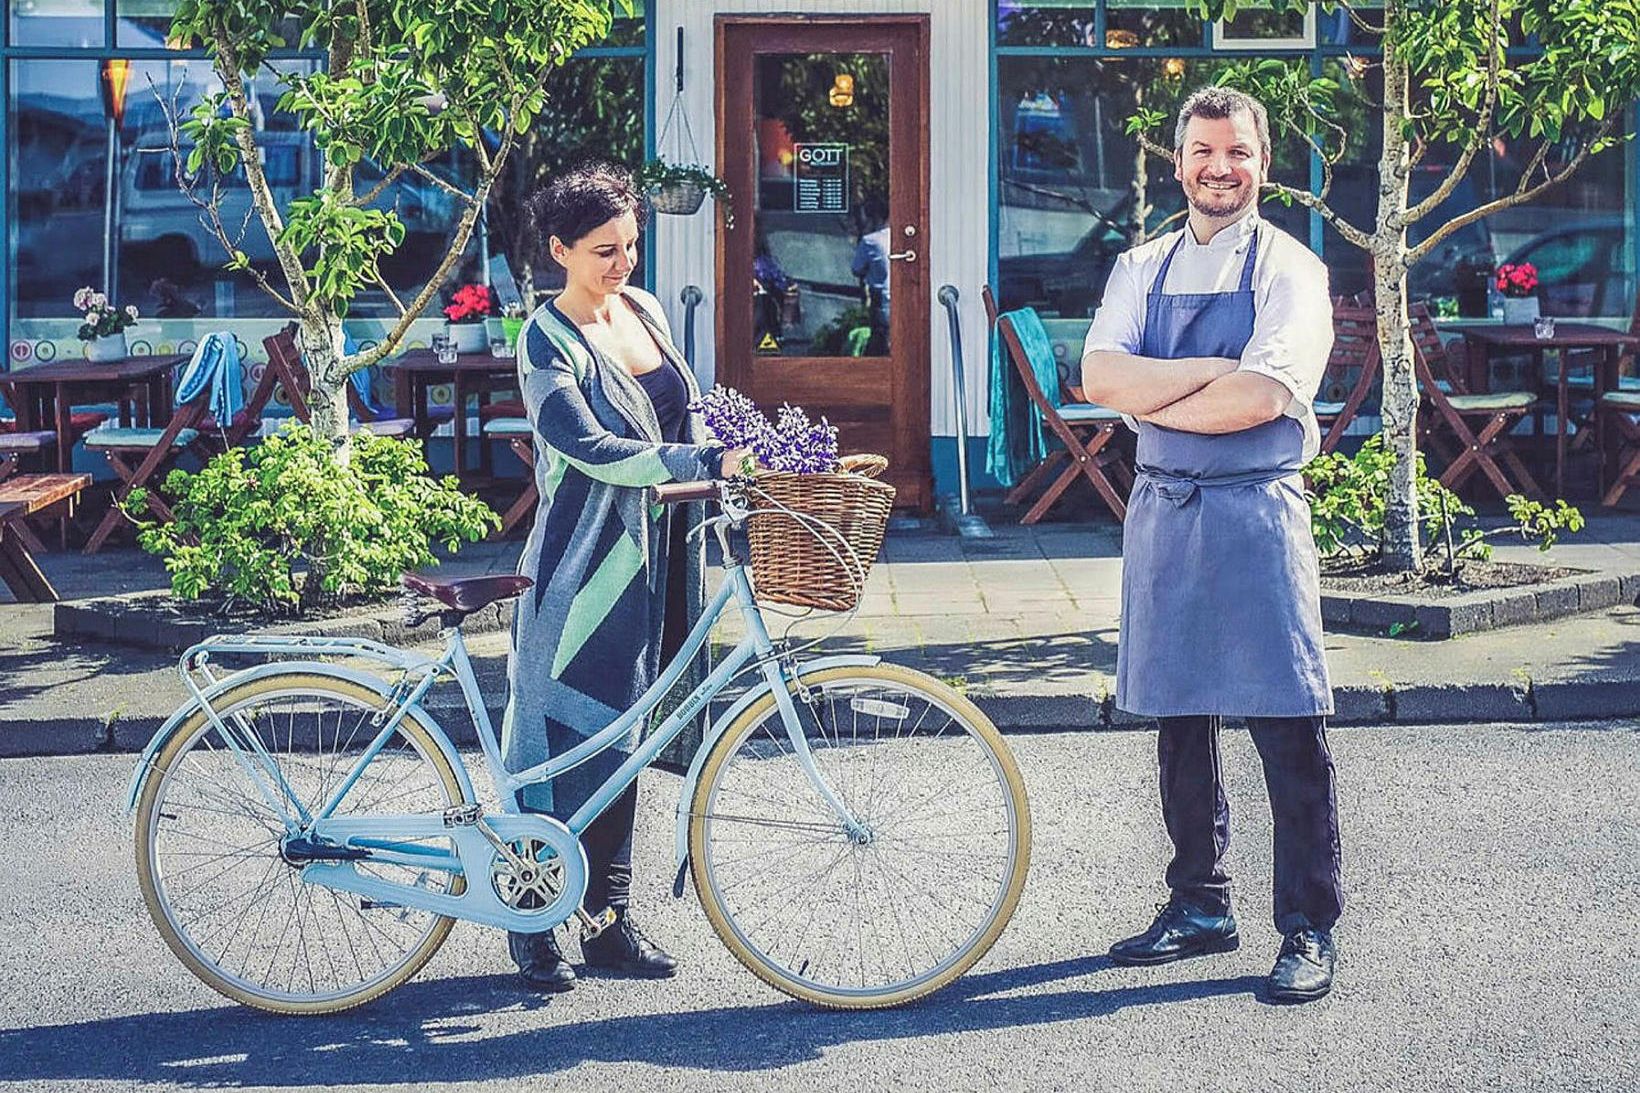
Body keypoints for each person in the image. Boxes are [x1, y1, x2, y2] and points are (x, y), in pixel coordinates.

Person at [1078, 87, 1345, 1003]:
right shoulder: (1139, 266)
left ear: (1262, 162)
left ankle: (1308, 923)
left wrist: (1155, 400)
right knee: (1178, 719)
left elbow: (1266, 395)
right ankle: (1199, 902)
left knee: (1286, 722)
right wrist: (1201, 375)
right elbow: (1098, 373)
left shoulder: (1293, 270)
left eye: (1236, 151)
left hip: (1256, 508)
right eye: (1202, 150)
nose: (1218, 167)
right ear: (1178, 159)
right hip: (1164, 510)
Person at [502, 161, 755, 993]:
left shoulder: (642, 310)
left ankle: (606, 924)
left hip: (656, 557)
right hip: (581, 569)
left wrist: (748, 446)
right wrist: (700, 459)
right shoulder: (544, 339)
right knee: (558, 743)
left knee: (626, 742)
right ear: (559, 250)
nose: (623, 264)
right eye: (604, 250)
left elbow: (686, 404)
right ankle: (530, 917)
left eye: (632, 246)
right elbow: (587, 446)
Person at [851, 196, 892, 354]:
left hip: (882, 299)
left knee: (880, 344)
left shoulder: (870, 241)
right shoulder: (903, 237)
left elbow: (856, 269)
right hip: (904, 297)